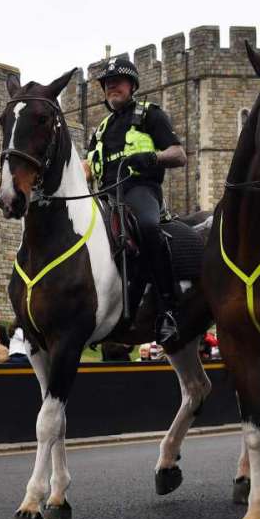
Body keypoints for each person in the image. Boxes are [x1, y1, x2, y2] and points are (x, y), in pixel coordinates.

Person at [84, 55, 187, 343]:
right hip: (105, 196)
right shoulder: (101, 130)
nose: (111, 87)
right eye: (107, 84)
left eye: (117, 82)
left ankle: (169, 309)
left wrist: (152, 157)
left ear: (132, 85)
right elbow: (88, 166)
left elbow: (179, 155)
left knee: (148, 226)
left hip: (139, 190)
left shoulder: (150, 115)